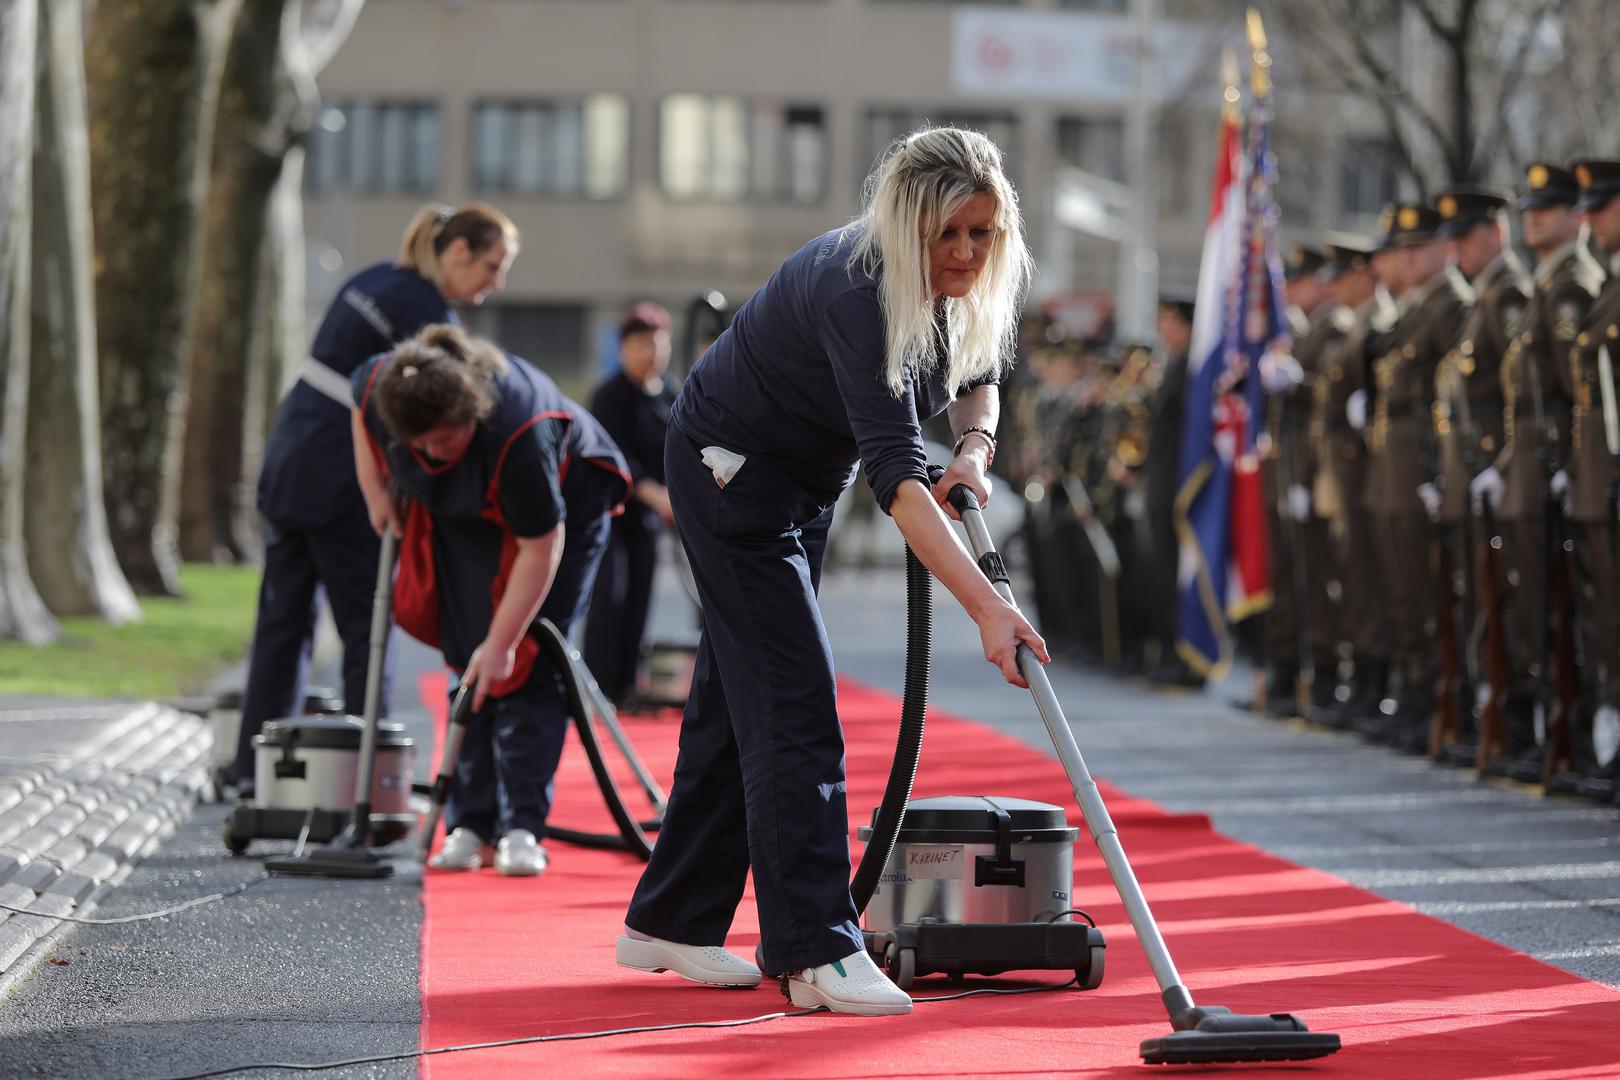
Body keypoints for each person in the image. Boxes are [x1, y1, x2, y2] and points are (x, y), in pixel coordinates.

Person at [617, 127, 1047, 1016]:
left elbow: (981, 373)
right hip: (729, 474)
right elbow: (899, 485)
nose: (966, 254)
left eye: (983, 234)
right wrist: (988, 611)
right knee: (796, 704)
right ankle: (815, 948)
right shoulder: (860, 290)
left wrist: (975, 447)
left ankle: (670, 920)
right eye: (948, 236)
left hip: (805, 484)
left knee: (737, 710)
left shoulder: (956, 282)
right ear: (905, 226)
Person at [231, 203, 518, 791]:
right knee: (368, 627)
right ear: (457, 251)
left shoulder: (373, 279)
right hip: (341, 476)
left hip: (290, 456)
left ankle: (252, 770)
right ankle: (366, 778)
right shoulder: (428, 318)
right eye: (492, 265)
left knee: (283, 624)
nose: (495, 282)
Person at [351, 325, 629, 876]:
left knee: (527, 657)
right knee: (466, 650)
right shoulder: (388, 385)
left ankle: (523, 824)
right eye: (419, 446)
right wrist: (375, 490)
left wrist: (503, 641)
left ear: (471, 414)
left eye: (442, 442)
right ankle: (471, 823)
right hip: (470, 509)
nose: (430, 453)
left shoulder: (520, 429)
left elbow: (541, 544)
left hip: (561, 512)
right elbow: (357, 403)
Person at [583, 303, 677, 705]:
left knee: (640, 597)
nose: (649, 353)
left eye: (657, 344)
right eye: (640, 344)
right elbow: (620, 459)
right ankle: (597, 687)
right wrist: (660, 497)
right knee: (611, 597)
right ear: (622, 348)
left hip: (649, 521)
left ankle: (625, 687)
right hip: (610, 516)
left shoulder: (672, 393)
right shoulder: (609, 396)